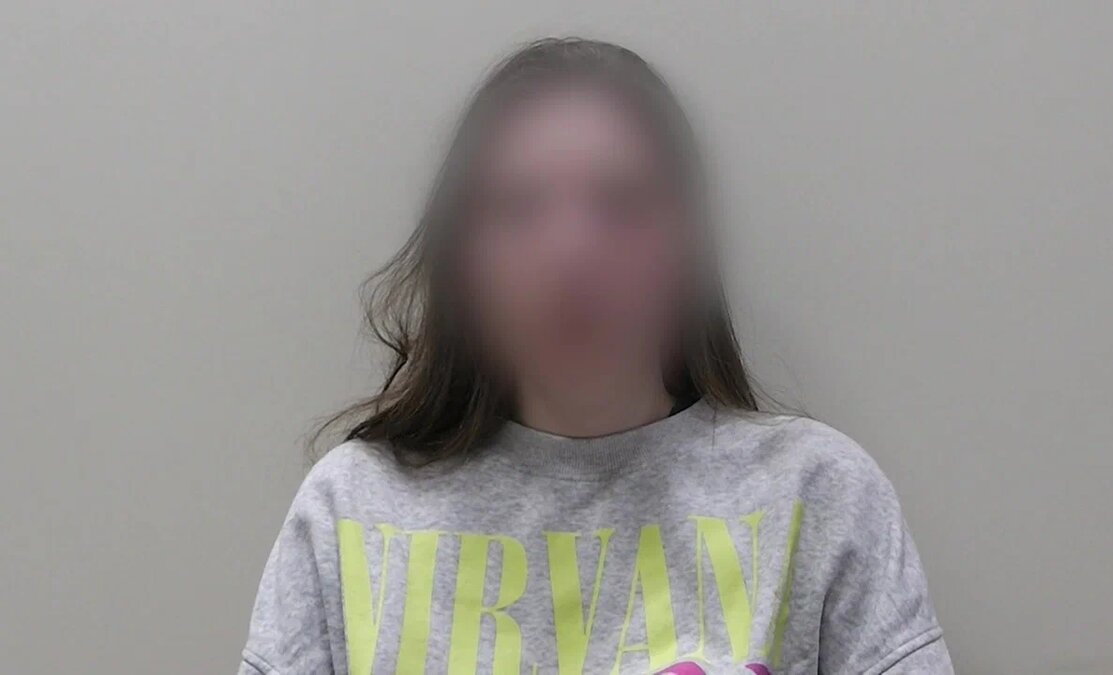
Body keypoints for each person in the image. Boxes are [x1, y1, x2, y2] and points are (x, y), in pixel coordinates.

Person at [238, 38, 953, 675]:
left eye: (622, 204)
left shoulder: (820, 495)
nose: (571, 254)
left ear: (687, 249)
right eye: (519, 207)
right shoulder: (351, 509)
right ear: (464, 260)